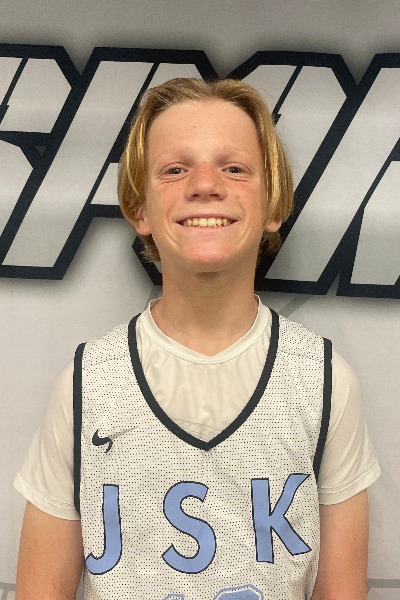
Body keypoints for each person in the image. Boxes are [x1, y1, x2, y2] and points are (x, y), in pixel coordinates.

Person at [14, 78, 380, 600]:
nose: (205, 184)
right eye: (175, 169)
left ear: (273, 205)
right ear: (139, 209)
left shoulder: (322, 381)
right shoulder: (86, 384)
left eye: (234, 168)